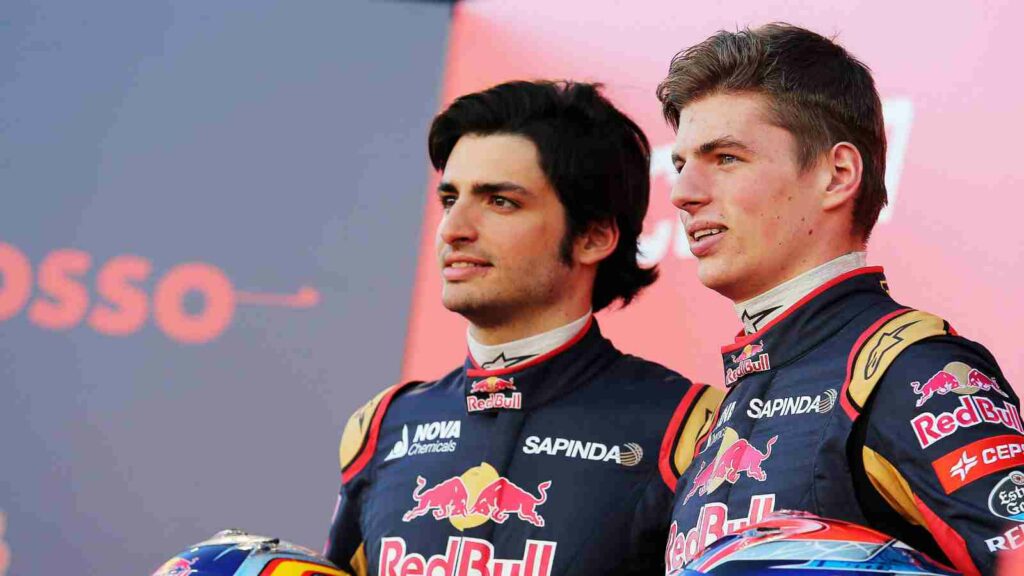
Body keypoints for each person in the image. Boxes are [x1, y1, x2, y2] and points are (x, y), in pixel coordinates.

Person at [657, 23, 1021, 576]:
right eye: (681, 164)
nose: (683, 194)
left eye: (725, 158)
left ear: (838, 174)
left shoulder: (908, 370)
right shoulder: (727, 406)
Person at [325, 80, 721, 576]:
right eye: (451, 199)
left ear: (594, 237)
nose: (454, 228)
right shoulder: (382, 426)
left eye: (500, 202)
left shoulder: (692, 425)